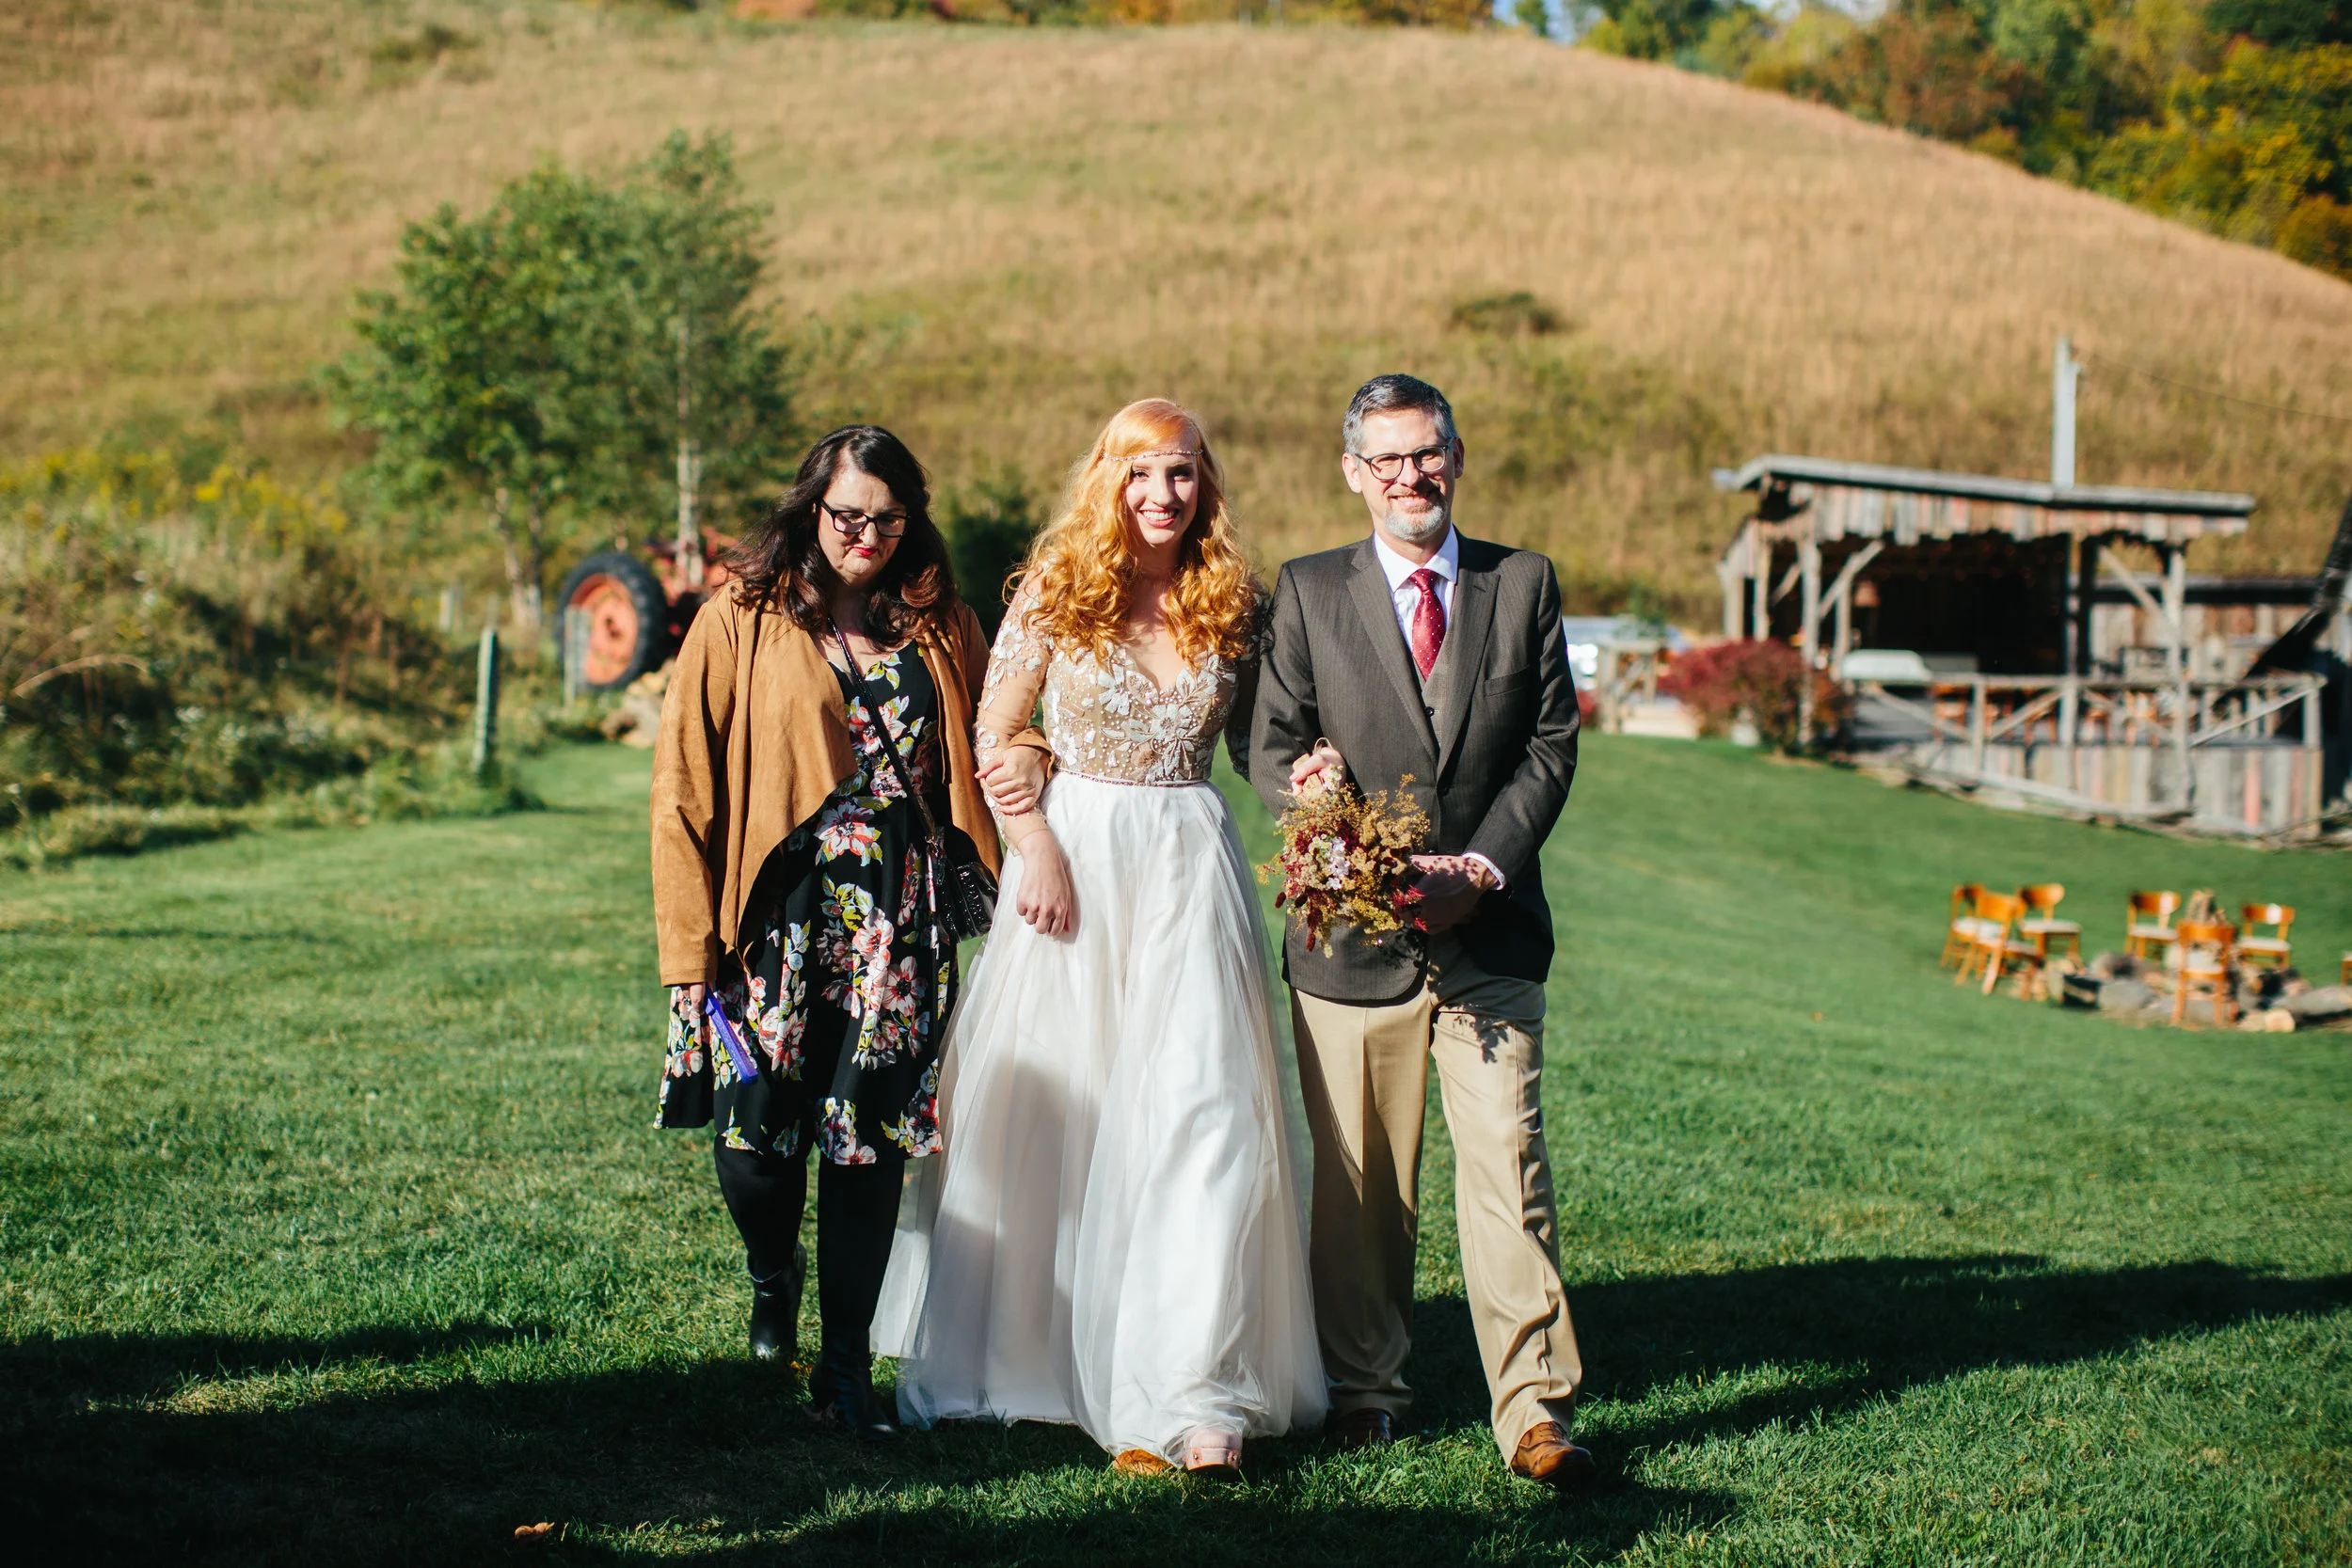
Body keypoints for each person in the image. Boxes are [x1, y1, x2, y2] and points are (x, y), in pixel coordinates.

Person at [874, 399, 1326, 1478]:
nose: (1160, 494)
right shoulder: (1056, 587)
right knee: (1064, 1121)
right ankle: (1040, 1354)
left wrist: (1318, 789)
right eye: (1139, 473)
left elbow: (1265, 742)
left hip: (1188, 867)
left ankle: (1193, 1389)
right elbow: (994, 729)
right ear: (1106, 479)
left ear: (1204, 483)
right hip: (1073, 867)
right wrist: (1032, 847)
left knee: (1205, 1116)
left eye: (1180, 473)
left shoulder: (1235, 600)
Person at [649, 424, 1044, 1439]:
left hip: (899, 922)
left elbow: (1009, 726)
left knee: (866, 1143)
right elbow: (683, 785)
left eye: (888, 519)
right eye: (847, 515)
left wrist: (1029, 762)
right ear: (809, 507)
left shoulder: (942, 622)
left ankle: (844, 1366)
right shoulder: (739, 616)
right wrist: (688, 953)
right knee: (755, 1138)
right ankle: (770, 1271)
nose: (866, 536)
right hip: (773, 915)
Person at [1249, 374, 1593, 1487]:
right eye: (1388, 458)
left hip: (1490, 940)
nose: (1411, 475)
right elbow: (1270, 744)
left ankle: (1534, 1408)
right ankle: (1365, 1390)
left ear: (1456, 455)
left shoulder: (1521, 581)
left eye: (1428, 452)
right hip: (1352, 946)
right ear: (1354, 472)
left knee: (1509, 1168)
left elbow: (1549, 743)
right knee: (1361, 1190)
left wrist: (1481, 869)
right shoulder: (1307, 590)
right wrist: (1327, 814)